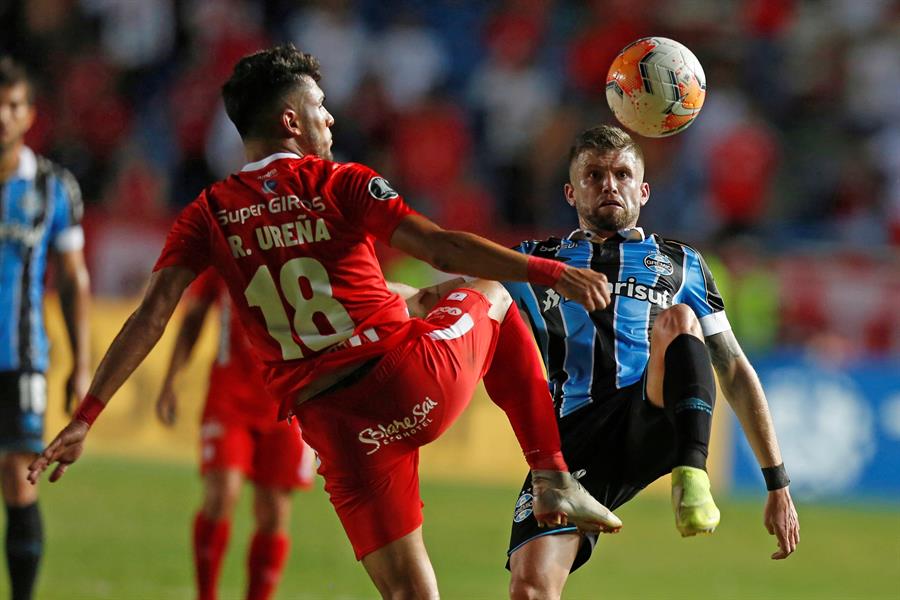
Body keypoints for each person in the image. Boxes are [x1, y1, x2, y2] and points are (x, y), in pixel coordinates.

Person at [27, 44, 622, 599]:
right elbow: (440, 248)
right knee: (492, 290)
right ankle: (550, 474)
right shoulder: (338, 182)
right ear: (292, 121)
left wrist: (85, 417)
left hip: (334, 428)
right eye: (320, 107)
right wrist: (544, 270)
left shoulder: (207, 213)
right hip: (407, 378)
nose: (330, 120)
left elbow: (150, 317)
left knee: (410, 594)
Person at [500, 125, 800, 599]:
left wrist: (777, 483)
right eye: (593, 175)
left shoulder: (682, 263)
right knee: (530, 587)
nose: (609, 185)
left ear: (643, 189)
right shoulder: (533, 262)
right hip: (572, 440)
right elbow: (465, 306)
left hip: (652, 411)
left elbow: (736, 370)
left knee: (680, 318)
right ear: (570, 191)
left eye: (621, 174)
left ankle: (692, 475)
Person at [155, 269, 314, 600]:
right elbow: (195, 314)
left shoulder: (307, 238)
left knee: (274, 512)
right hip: (230, 395)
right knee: (222, 492)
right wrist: (172, 378)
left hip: (289, 396)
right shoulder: (228, 237)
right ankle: (207, 595)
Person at [0, 56, 91, 600]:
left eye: (12, 107)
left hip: (22, 357)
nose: (2, 118)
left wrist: (81, 366)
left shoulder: (54, 187)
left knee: (18, 476)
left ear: (30, 114)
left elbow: (76, 281)